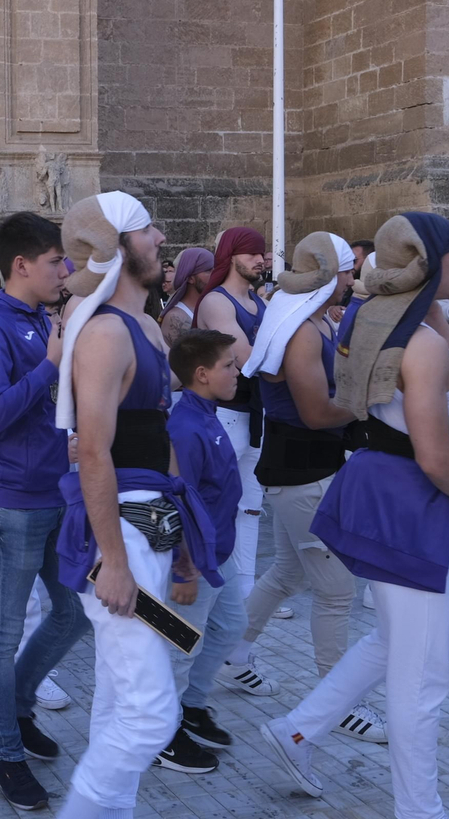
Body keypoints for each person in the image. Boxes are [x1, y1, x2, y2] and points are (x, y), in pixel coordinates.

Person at [260, 211, 449, 818]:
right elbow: (434, 453)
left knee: (394, 639)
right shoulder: (415, 342)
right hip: (409, 495)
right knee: (422, 676)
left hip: (379, 484)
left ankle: (296, 730)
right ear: (431, 264)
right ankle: (420, 809)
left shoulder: (372, 318)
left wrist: (432, 302)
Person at [51, 192, 225, 819]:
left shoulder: (147, 326)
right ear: (117, 247)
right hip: (118, 542)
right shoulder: (103, 334)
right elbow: (94, 454)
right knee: (153, 716)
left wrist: (177, 552)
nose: (160, 237)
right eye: (147, 228)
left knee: (119, 703)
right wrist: (117, 564)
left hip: (148, 531)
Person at [227, 232, 387, 741]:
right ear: (329, 275)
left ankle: (228, 655)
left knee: (285, 574)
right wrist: (369, 402)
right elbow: (317, 412)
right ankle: (335, 704)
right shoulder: (301, 330)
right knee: (337, 593)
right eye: (347, 271)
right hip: (303, 474)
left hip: (300, 470)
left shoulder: (311, 319)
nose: (353, 279)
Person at [0, 211, 85, 809]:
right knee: (2, 631)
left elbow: (38, 410)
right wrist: (50, 367)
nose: (64, 271)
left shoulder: (42, 318)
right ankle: (5, 753)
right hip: (10, 501)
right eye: (55, 261)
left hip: (54, 492)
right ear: (22, 265)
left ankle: (16, 705)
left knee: (72, 616)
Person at [151, 329, 243, 775]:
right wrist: (184, 567)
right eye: (229, 365)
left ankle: (190, 706)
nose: (237, 371)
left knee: (230, 628)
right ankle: (162, 734)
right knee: (179, 645)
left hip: (219, 551)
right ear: (202, 374)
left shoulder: (207, 414)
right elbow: (175, 501)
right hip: (195, 560)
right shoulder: (185, 427)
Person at [192, 227, 269, 614]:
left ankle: (245, 595)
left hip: (254, 417)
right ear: (232, 254)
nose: (261, 259)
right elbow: (248, 358)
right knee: (213, 505)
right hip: (223, 418)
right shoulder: (217, 303)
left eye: (262, 253)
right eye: (253, 253)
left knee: (251, 509)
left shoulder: (257, 300)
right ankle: (208, 590)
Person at [161, 247, 213, 352]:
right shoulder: (175, 317)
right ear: (190, 278)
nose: (214, 274)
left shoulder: (215, 308)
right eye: (208, 270)